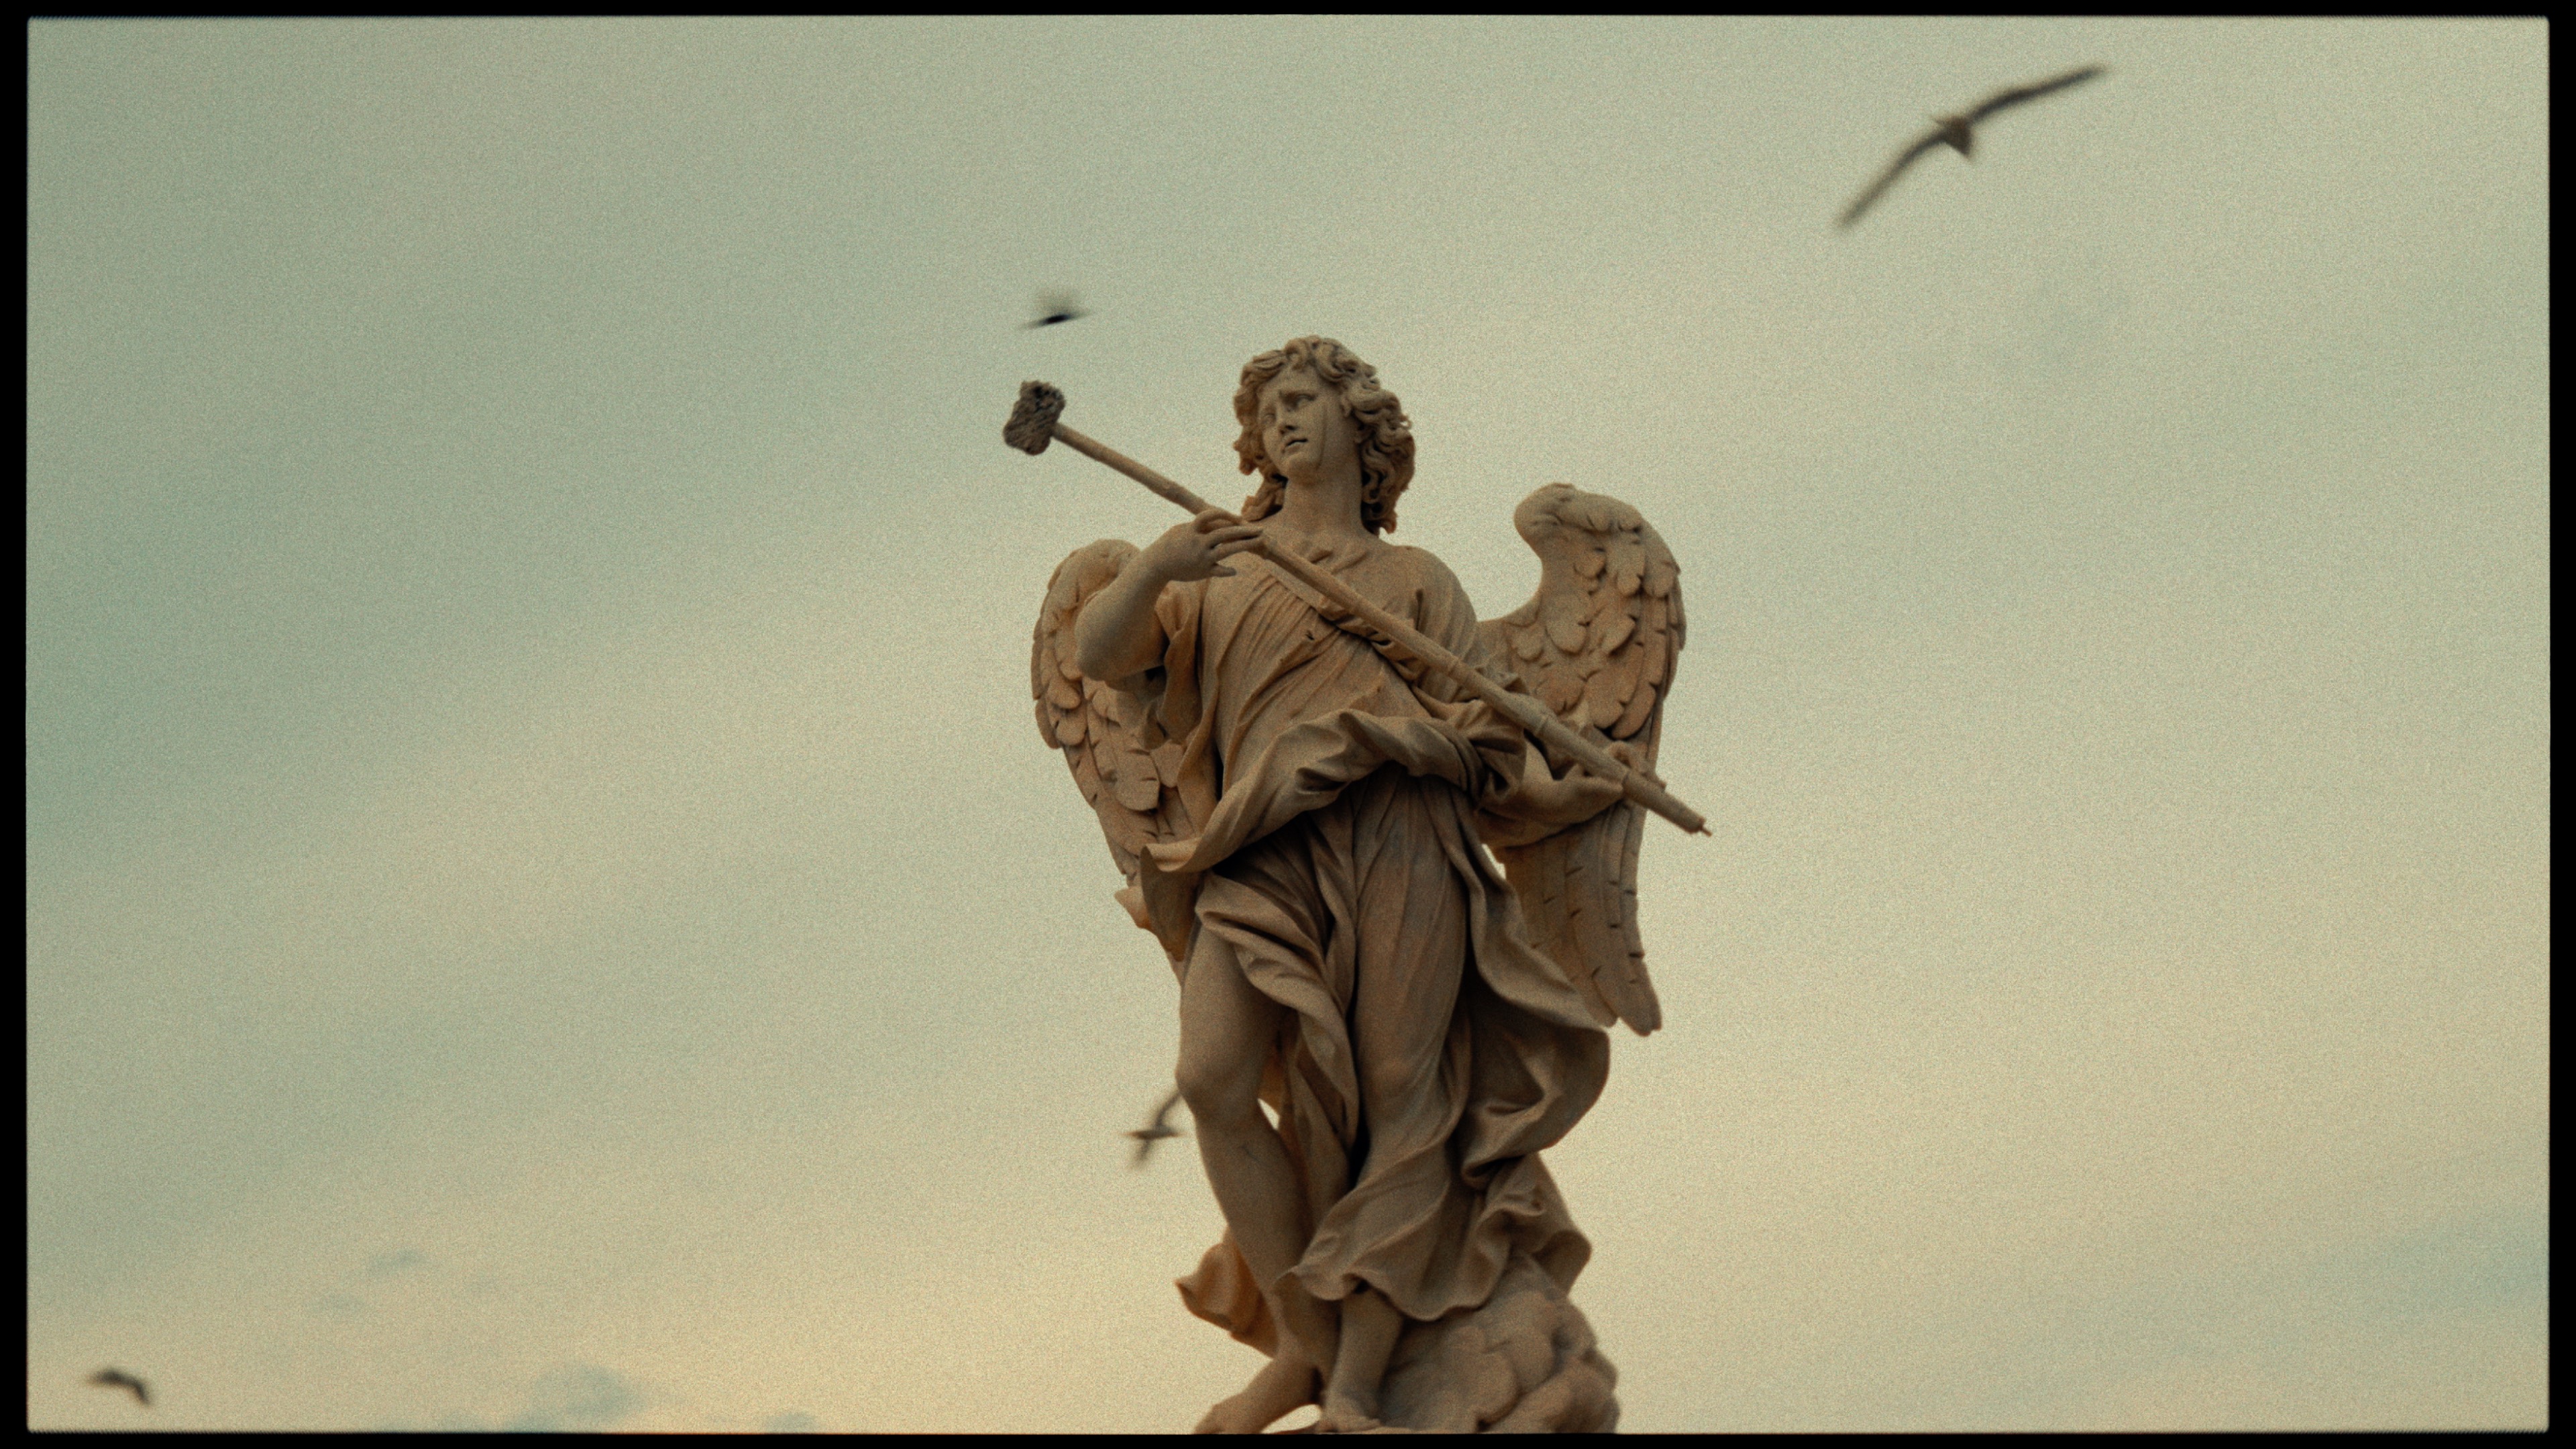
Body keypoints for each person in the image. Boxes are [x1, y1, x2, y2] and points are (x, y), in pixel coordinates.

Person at [1073, 337, 1625, 1432]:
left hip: (1401, 843)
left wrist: (1467, 739)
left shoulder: (1416, 581)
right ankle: (1302, 1342)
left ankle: (1358, 1378)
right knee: (1213, 1078)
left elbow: (1489, 738)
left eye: (1303, 401)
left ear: (1359, 427)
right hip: (1260, 851)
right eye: (1267, 409)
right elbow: (1102, 653)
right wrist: (1156, 568)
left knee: (1404, 1107)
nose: (1281, 421)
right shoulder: (1221, 564)